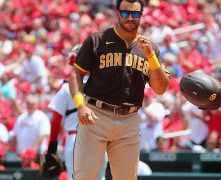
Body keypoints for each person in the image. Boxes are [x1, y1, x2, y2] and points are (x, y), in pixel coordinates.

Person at [68, 0, 170, 179]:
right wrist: (80, 105)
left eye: (135, 14)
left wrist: (151, 57)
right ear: (117, 12)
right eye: (125, 13)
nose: (130, 18)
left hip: (129, 120)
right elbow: (76, 72)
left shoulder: (149, 48)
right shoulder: (97, 40)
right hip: (95, 115)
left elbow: (160, 88)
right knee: (85, 176)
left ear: (141, 15)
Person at [47, 45, 106, 180]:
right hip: (101, 139)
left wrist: (52, 147)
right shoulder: (104, 84)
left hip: (76, 139)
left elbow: (56, 121)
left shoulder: (66, 87)